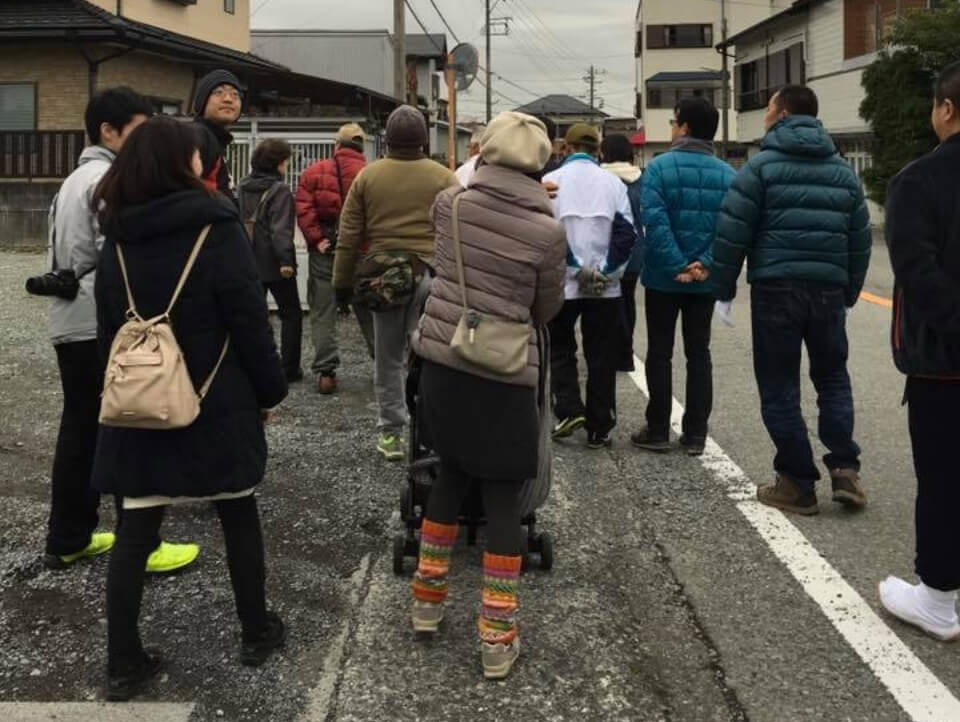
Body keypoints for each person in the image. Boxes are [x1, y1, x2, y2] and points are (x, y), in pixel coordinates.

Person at [91, 117, 288, 700]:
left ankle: (123, 660)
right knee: (236, 509)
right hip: (216, 392)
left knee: (136, 525)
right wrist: (268, 390)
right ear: (184, 163)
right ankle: (256, 631)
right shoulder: (215, 226)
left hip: (142, 398)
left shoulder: (117, 233)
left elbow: (110, 326)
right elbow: (248, 318)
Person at [409, 111, 565, 680]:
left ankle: (427, 603)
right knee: (503, 498)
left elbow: (440, 262)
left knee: (449, 474)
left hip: (445, 361)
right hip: (504, 371)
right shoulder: (548, 230)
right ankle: (496, 637)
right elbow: (546, 309)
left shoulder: (451, 205)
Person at [42, 87, 197, 574]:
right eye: (137, 128)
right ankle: (141, 545)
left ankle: (70, 536)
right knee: (128, 427)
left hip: (73, 321)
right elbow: (120, 254)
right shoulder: (108, 179)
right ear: (109, 131)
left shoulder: (76, 178)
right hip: (101, 323)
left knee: (83, 430)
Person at [711, 85, 872, 515]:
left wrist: (722, 289)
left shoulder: (760, 168)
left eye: (768, 108)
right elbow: (859, 239)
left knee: (780, 384)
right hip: (828, 291)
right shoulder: (842, 172)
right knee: (833, 378)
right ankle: (845, 469)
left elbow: (732, 234)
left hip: (776, 289)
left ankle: (797, 482)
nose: (765, 115)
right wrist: (850, 289)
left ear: (781, 116)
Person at [878, 61, 960, 641]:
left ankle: (937, 597)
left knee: (943, 479)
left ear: (946, 109)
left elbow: (920, 276)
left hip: (945, 364)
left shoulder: (920, 180)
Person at [332, 105, 457, 461]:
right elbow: (460, 229)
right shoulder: (444, 178)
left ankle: (391, 435)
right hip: (432, 276)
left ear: (386, 138)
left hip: (383, 280)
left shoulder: (368, 177)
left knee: (388, 358)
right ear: (423, 139)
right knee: (433, 356)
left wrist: (342, 285)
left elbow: (349, 236)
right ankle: (431, 431)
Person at [630, 99, 734, 456]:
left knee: (660, 351)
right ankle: (695, 434)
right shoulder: (728, 175)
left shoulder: (658, 168)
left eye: (675, 121)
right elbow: (728, 230)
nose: (673, 126)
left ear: (685, 127)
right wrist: (701, 264)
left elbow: (654, 222)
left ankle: (658, 429)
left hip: (663, 277)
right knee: (698, 353)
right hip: (704, 280)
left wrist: (676, 264)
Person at [544, 123, 637, 449]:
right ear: (597, 150)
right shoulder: (612, 183)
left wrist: (575, 268)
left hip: (564, 284)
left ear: (565, 148)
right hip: (605, 288)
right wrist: (606, 271)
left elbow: (547, 233)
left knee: (561, 348)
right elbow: (627, 234)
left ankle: (568, 409)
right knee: (601, 355)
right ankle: (601, 426)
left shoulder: (550, 184)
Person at [295, 123, 373, 392]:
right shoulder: (372, 174)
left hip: (326, 250)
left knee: (323, 309)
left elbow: (304, 209)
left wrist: (317, 240)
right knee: (369, 307)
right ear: (362, 147)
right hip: (361, 251)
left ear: (336, 145)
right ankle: (385, 363)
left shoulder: (314, 172)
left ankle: (326, 372)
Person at [239, 138, 303, 383]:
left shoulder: (243, 186)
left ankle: (252, 364)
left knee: (254, 314)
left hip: (247, 258)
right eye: (286, 161)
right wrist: (286, 260)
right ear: (278, 163)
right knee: (290, 314)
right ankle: (288, 368)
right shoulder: (280, 190)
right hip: (275, 264)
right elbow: (280, 229)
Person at [599, 133, 645, 373]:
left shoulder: (600, 178)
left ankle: (609, 351)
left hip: (609, 249)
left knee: (607, 303)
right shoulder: (641, 180)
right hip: (636, 250)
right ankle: (625, 354)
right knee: (628, 300)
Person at [192, 69, 243, 202]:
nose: (228, 99)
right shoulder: (198, 135)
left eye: (235, 94)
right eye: (218, 92)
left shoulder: (216, 140)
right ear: (202, 102)